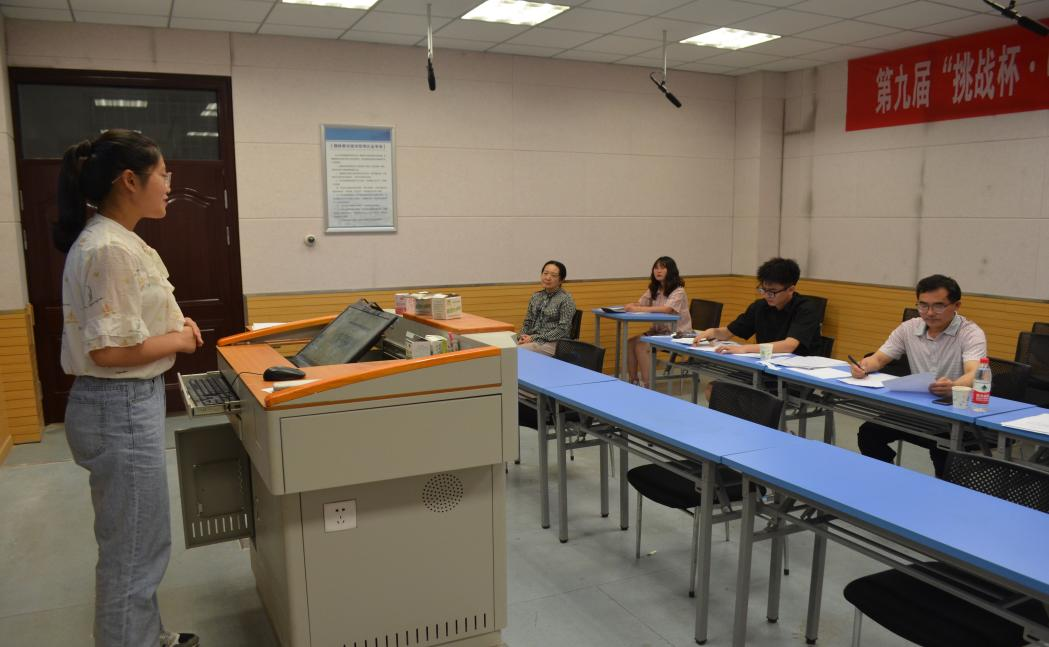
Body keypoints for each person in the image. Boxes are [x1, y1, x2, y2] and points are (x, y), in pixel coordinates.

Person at [56, 130, 202, 647]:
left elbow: (132, 322)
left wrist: (175, 328)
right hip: (118, 407)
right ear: (129, 180)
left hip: (124, 405)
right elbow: (110, 352)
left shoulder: (119, 240)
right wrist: (178, 341)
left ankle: (144, 633)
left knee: (139, 539)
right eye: (162, 174)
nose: (169, 184)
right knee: (134, 549)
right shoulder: (109, 248)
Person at [849, 274, 986, 477]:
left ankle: (941, 493)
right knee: (869, 434)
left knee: (944, 451)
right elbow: (878, 358)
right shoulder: (909, 328)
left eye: (938, 306)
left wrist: (954, 386)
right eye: (923, 305)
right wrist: (863, 367)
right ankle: (888, 481)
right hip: (918, 409)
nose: (929, 313)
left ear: (956, 305)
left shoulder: (971, 333)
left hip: (953, 415)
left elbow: (976, 372)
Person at [693, 257, 822, 356]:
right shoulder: (760, 306)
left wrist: (745, 348)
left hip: (797, 372)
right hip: (764, 365)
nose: (766, 295)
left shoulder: (806, 309)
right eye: (763, 290)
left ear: (791, 289)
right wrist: (712, 332)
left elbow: (789, 345)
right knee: (718, 383)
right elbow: (728, 332)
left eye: (772, 292)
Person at [625, 256, 691, 387]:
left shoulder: (678, 290)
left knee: (641, 346)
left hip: (677, 334)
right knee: (630, 342)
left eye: (662, 268)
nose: (658, 271)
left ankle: (648, 385)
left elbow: (667, 309)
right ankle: (633, 381)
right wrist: (631, 305)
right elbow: (641, 303)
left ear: (670, 270)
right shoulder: (655, 288)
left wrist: (638, 308)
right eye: (656, 268)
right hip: (659, 332)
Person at [518, 260, 576, 357]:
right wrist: (522, 336)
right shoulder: (536, 296)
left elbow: (563, 330)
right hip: (532, 339)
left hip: (555, 343)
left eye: (553, 275)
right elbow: (528, 321)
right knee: (506, 348)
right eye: (545, 273)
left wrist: (533, 338)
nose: (548, 277)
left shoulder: (566, 300)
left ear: (561, 280)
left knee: (516, 352)